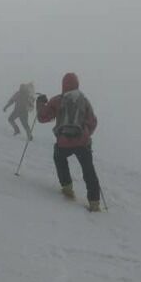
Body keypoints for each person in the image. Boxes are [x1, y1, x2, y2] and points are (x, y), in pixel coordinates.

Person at [36, 72, 101, 211]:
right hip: (82, 143)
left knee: (59, 157)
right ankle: (94, 202)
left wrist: (41, 103)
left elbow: (42, 117)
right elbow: (93, 122)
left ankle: (67, 188)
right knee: (88, 169)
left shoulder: (58, 100)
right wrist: (86, 134)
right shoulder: (83, 100)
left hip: (63, 142)